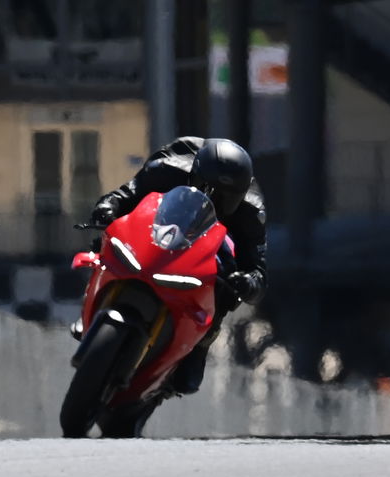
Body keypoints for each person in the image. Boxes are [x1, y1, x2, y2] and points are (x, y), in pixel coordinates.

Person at [86, 136, 266, 396]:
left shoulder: (251, 211)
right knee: (106, 237)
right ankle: (96, 292)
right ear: (195, 174)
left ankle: (199, 346)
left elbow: (259, 271)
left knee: (226, 291)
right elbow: (125, 194)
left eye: (227, 196)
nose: (214, 197)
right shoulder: (166, 170)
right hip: (158, 230)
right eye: (207, 187)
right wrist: (107, 207)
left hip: (207, 253)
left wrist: (248, 281)